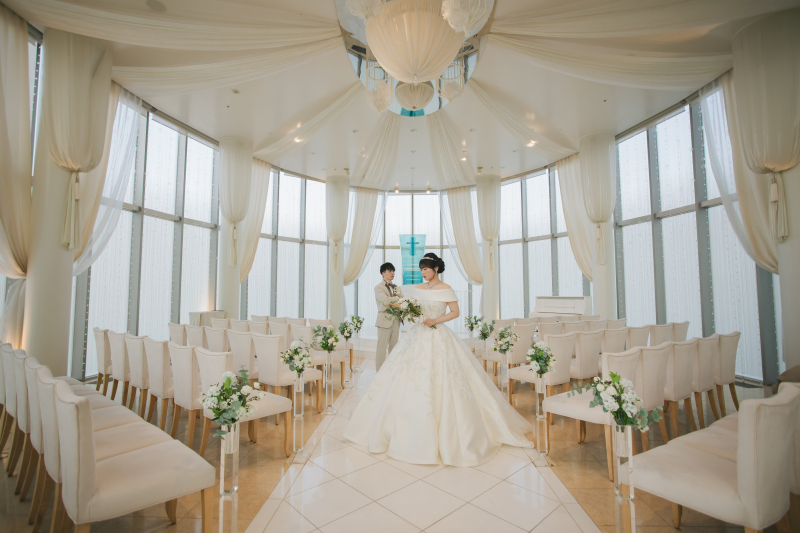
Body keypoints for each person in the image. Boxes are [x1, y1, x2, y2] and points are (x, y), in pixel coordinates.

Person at [345, 253, 533, 467]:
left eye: (425, 268)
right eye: (421, 269)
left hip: (439, 333)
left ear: (435, 268)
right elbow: (415, 310)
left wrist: (435, 320)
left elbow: (455, 312)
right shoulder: (419, 288)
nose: (423, 272)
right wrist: (416, 316)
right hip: (418, 333)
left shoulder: (446, 288)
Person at [374, 262, 403, 371]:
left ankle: (391, 372)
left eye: (393, 271)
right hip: (384, 320)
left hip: (396, 320)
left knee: (394, 348)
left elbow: (403, 300)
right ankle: (379, 373)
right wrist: (397, 298)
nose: (392, 273)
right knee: (381, 348)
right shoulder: (378, 287)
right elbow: (385, 300)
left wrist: (397, 298)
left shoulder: (397, 287)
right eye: (390, 271)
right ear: (383, 273)